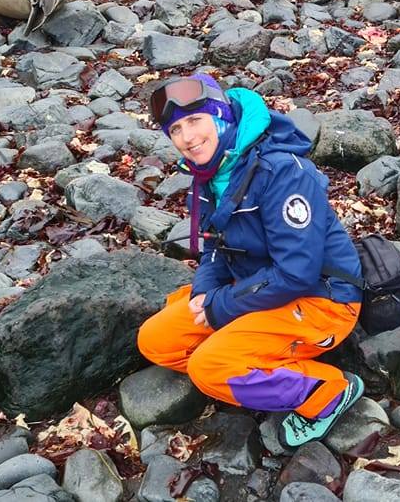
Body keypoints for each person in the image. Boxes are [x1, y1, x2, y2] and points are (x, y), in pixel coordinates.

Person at [137, 73, 364, 447]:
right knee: (156, 340)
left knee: (207, 366)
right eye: (175, 129)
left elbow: (297, 273)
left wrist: (221, 308)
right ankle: (254, 364)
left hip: (322, 299)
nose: (188, 139)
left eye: (195, 121)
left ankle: (330, 393)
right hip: (255, 285)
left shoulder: (283, 172)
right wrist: (206, 287)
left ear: (221, 116)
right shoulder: (211, 174)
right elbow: (213, 245)